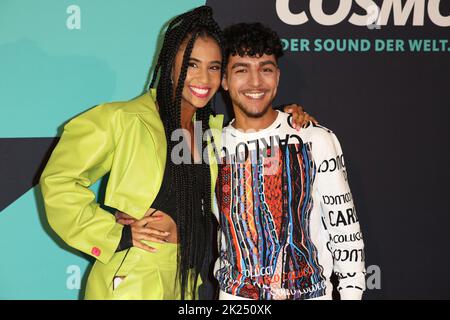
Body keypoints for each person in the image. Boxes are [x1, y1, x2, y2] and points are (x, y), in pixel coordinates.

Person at [40, 6, 311, 300]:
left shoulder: (214, 132)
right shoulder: (122, 119)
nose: (203, 78)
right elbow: (58, 181)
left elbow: (258, 137)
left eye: (214, 67)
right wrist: (114, 234)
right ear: (170, 64)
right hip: (133, 279)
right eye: (192, 64)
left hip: (185, 279)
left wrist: (287, 118)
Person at [213, 23, 366, 300]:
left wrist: (352, 294)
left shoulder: (314, 138)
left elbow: (345, 230)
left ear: (278, 76)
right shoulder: (210, 148)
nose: (256, 82)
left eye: (266, 69)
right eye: (241, 69)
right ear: (224, 80)